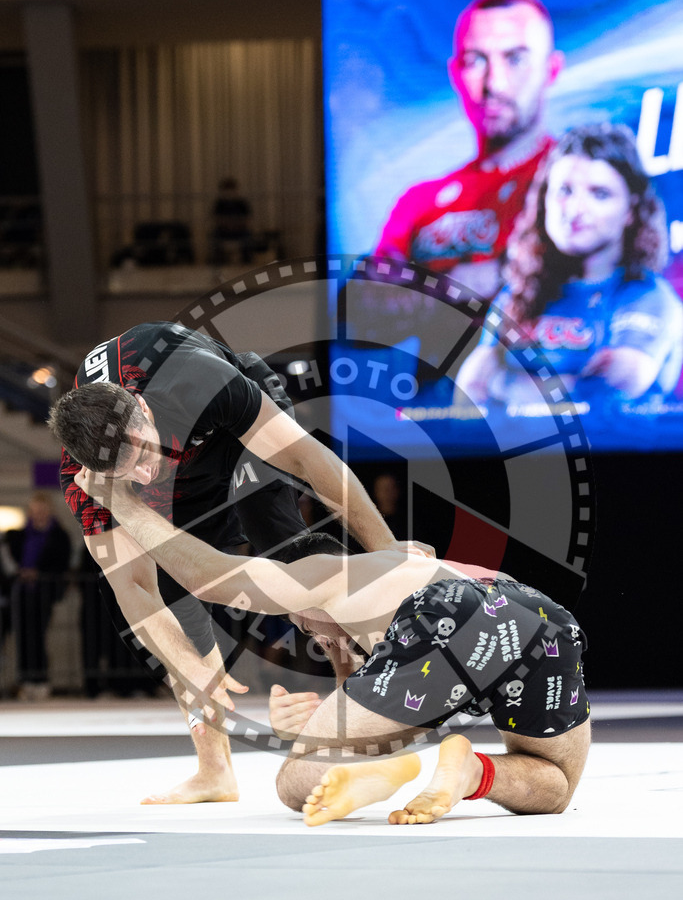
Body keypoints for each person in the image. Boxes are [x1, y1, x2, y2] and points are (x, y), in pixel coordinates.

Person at [75, 472, 591, 828]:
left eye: (295, 617)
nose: (307, 633)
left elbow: (208, 578)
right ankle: (473, 771)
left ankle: (398, 768)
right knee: (555, 786)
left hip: (445, 615)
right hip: (533, 611)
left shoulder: (320, 574)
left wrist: (121, 503)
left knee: (293, 781)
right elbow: (376, 696)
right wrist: (316, 721)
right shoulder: (399, 566)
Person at [48, 321, 424, 804]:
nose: (145, 471)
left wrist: (388, 554)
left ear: (141, 408)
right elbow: (135, 590)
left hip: (228, 430)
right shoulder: (84, 479)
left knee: (291, 561)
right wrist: (188, 664)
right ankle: (215, 772)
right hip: (182, 478)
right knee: (177, 596)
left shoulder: (191, 378)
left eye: (143, 453)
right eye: (127, 472)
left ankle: (354, 704)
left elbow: (310, 460)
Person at [456, 124, 683, 405]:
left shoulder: (648, 298)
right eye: (564, 190)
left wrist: (503, 384)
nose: (575, 210)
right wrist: (566, 386)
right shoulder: (519, 294)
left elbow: (608, 391)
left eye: (599, 194)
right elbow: (469, 390)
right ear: (544, 201)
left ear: (631, 210)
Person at [374, 0, 563, 299]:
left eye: (515, 59)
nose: (494, 84)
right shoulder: (419, 203)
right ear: (455, 73)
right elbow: (356, 317)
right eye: (475, 60)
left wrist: (499, 272)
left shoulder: (583, 182)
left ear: (551, 70)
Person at [4, 492, 72, 700]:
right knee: (23, 637)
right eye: (34, 511)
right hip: (22, 593)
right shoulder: (20, 534)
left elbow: (61, 563)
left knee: (37, 636)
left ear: (49, 511)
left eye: (41, 510)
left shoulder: (59, 535)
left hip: (43, 592)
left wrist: (39, 573)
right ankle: (25, 679)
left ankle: (40, 679)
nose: (38, 514)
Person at [210, 178, 254, 265]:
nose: (229, 192)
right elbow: (216, 219)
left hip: (239, 230)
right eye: (226, 189)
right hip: (224, 231)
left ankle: (247, 261)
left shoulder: (242, 203)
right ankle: (218, 261)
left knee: (248, 235)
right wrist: (227, 224)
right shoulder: (220, 203)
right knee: (215, 235)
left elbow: (247, 219)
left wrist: (236, 224)